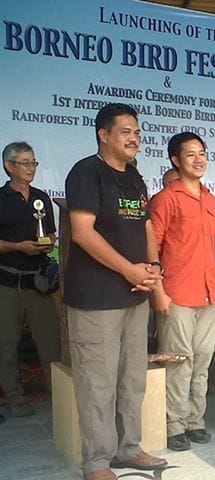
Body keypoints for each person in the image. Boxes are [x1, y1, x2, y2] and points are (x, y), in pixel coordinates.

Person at [64, 103, 167, 480]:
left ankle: (128, 448)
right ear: (103, 135)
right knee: (98, 382)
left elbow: (146, 230)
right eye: (125, 131)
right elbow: (82, 232)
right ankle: (97, 461)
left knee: (132, 378)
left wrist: (153, 270)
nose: (134, 137)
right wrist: (129, 269)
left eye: (137, 131)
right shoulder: (86, 173)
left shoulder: (135, 179)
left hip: (135, 295)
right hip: (97, 299)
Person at [148, 132, 215, 451]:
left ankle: (195, 421)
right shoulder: (165, 198)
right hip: (176, 292)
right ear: (176, 161)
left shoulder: (210, 199)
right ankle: (173, 425)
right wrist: (158, 292)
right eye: (190, 154)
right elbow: (151, 246)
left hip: (210, 293)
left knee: (203, 360)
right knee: (179, 361)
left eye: (202, 153)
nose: (198, 159)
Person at [0, 141, 60, 418]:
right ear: (8, 166)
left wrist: (47, 244)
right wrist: (17, 247)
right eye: (25, 163)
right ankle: (15, 398)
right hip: (7, 281)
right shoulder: (1, 198)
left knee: (50, 340)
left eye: (33, 162)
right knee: (6, 344)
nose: (31, 168)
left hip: (37, 280)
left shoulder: (42, 197)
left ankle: (58, 395)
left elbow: (49, 233)